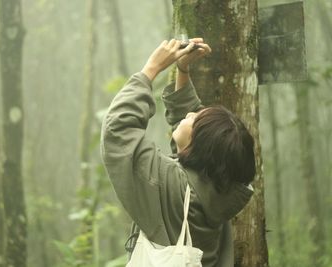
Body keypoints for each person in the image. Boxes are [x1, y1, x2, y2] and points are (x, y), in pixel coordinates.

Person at [100, 37, 255, 267]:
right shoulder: (221, 185)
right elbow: (201, 142)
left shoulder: (172, 187)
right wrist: (183, 70)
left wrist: (151, 69)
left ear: (198, 147)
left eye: (195, 120)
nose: (191, 114)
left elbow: (117, 132)